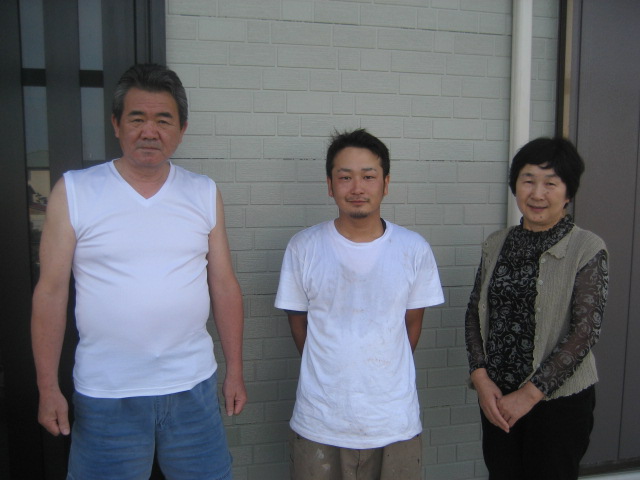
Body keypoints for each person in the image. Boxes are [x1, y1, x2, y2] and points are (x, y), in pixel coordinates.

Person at [31, 64, 246, 480]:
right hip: (107, 393)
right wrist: (47, 387)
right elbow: (51, 292)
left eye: (163, 120)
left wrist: (234, 370)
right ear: (116, 124)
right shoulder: (75, 191)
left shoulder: (203, 192)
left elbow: (223, 286)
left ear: (182, 129)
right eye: (137, 119)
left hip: (192, 387)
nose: (150, 131)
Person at [275, 129, 444, 480]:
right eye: (345, 177)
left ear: (386, 183)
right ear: (329, 185)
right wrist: (333, 368)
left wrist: (379, 371)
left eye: (368, 176)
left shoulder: (414, 249)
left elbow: (411, 326)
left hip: (393, 421)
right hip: (320, 420)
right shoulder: (303, 247)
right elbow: (299, 325)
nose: (357, 188)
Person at [465, 137, 609, 480]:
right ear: (515, 185)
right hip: (498, 400)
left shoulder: (586, 247)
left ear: (568, 192)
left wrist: (529, 395)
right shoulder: (496, 243)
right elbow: (474, 313)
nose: (537, 194)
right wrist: (481, 379)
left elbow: (585, 332)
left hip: (558, 404)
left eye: (551, 183)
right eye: (528, 180)